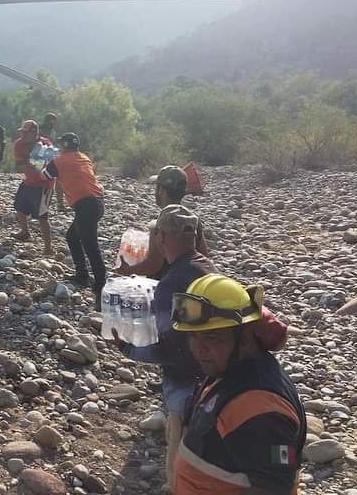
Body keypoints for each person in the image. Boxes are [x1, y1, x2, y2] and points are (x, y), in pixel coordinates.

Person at [110, 204, 217, 488]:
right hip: (216, 378)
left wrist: (128, 349)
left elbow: (169, 350)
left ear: (161, 238)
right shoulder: (207, 267)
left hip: (187, 384)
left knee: (181, 461)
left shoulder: (171, 284)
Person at [171, 274, 306, 494]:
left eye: (212, 337)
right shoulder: (228, 369)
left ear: (244, 336)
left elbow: (273, 489)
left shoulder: (261, 408)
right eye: (192, 337)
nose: (198, 349)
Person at [118, 165, 209, 279]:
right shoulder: (193, 219)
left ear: (161, 190)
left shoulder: (160, 224)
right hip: (191, 285)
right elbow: (204, 256)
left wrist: (127, 270)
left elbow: (153, 265)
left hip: (168, 287)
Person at [44, 132, 105, 302]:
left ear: (64, 145)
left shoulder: (60, 160)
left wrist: (39, 158)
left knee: (91, 246)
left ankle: (101, 284)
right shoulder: (84, 157)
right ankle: (82, 274)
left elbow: (46, 175)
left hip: (86, 205)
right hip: (97, 203)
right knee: (72, 237)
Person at [12, 120, 54, 255]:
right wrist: (32, 160)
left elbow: (47, 165)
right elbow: (19, 165)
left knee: (42, 217)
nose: (23, 135)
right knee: (19, 207)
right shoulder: (19, 144)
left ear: (34, 132)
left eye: (25, 132)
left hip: (44, 185)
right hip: (29, 181)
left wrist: (34, 161)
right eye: (22, 132)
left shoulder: (45, 144)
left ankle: (48, 247)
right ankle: (25, 232)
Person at [42, 112, 66, 213]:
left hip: (51, 157)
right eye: (51, 120)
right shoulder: (39, 130)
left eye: (53, 121)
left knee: (58, 179)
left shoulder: (53, 131)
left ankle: (59, 203)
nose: (52, 123)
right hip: (41, 158)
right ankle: (42, 203)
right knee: (43, 180)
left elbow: (54, 144)